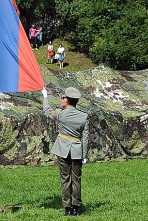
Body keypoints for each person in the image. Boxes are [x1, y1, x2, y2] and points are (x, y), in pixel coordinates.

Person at [42, 87, 89, 216]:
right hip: (77, 151)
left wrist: (45, 96)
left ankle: (67, 207)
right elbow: (85, 138)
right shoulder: (84, 117)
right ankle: (76, 207)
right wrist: (84, 155)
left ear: (67, 100)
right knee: (76, 180)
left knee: (65, 178)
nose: (62, 100)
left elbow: (46, 111)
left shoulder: (60, 114)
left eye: (63, 98)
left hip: (63, 149)